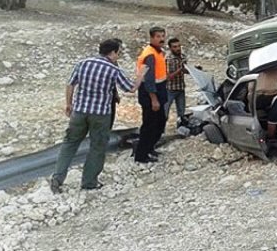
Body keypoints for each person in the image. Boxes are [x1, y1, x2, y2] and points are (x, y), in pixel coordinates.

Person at [50, 39, 146, 193]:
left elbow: (70, 84)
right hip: (100, 114)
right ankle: (89, 181)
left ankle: (57, 178)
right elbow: (131, 88)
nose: (118, 56)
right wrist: (141, 75)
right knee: (97, 147)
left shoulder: (83, 63)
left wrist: (68, 104)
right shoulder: (113, 69)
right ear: (113, 52)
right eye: (118, 53)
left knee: (69, 144)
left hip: (79, 111)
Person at [135, 27, 168, 163]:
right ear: (152, 38)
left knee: (159, 122)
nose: (161, 39)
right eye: (158, 36)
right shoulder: (150, 55)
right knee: (149, 124)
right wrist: (154, 99)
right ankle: (141, 155)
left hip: (158, 91)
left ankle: (149, 148)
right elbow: (149, 80)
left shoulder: (158, 52)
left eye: (162, 36)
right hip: (150, 94)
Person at [165, 37, 188, 124]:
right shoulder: (168, 59)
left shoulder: (183, 56)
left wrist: (194, 70)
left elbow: (185, 70)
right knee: (165, 112)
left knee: (181, 112)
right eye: (175, 47)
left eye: (179, 46)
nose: (178, 48)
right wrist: (180, 70)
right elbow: (168, 77)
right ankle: (160, 132)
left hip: (180, 87)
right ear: (170, 48)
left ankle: (181, 128)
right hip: (169, 89)